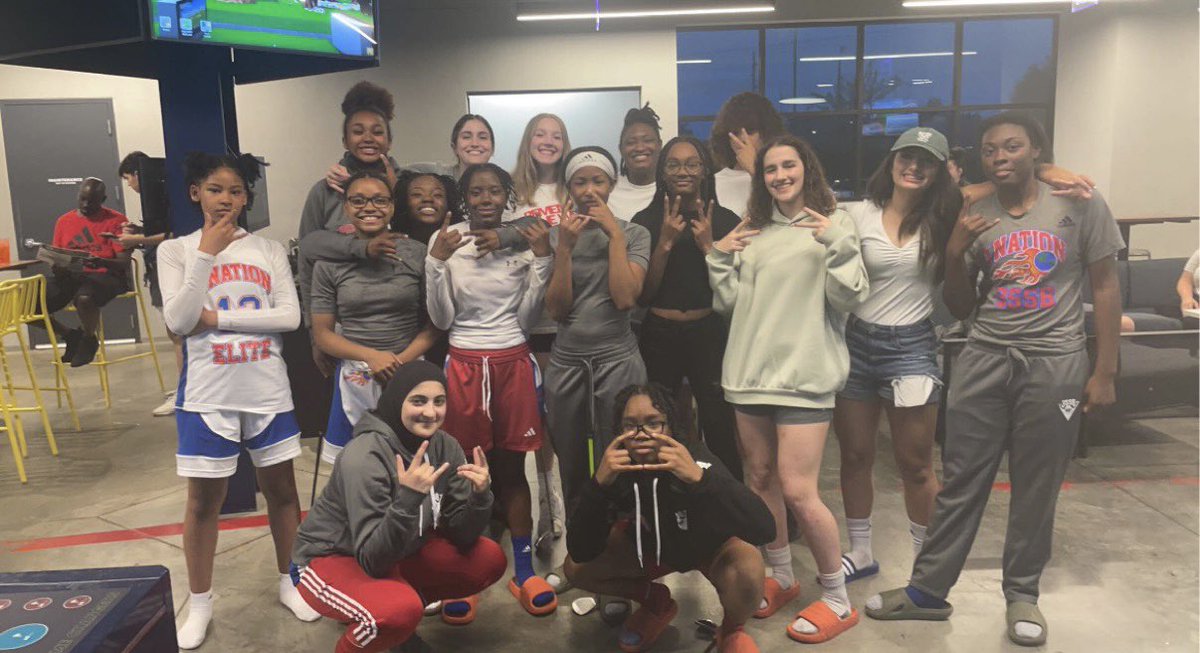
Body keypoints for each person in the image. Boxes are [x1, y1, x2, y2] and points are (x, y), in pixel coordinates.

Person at [866, 112, 1123, 649]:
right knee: (961, 479)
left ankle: (1022, 594)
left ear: (1036, 152)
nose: (1001, 157)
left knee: (1037, 484)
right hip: (983, 357)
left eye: (1012, 147)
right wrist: (956, 252)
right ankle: (928, 591)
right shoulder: (971, 208)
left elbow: (1104, 286)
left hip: (1055, 364)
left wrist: (1104, 371)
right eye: (990, 150)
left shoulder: (1078, 203)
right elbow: (959, 305)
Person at [835, 128, 1099, 583]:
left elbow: (1009, 178)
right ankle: (860, 551)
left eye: (926, 161)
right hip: (857, 343)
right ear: (891, 161)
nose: (914, 167)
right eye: (907, 157)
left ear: (940, 171)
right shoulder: (857, 213)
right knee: (855, 456)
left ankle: (927, 564)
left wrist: (1055, 173)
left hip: (912, 346)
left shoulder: (949, 212)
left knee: (916, 464)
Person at [707, 134, 869, 643]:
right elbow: (731, 304)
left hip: (804, 378)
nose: (779, 176)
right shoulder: (752, 230)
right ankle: (780, 575)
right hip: (749, 376)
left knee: (799, 489)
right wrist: (718, 257)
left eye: (788, 166)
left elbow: (849, 299)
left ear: (807, 169)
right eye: (770, 169)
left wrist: (838, 247)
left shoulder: (833, 223)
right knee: (760, 480)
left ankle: (838, 598)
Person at [158, 152, 318, 649]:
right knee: (204, 502)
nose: (225, 199)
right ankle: (200, 603)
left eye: (234, 191)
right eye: (214, 189)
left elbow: (289, 317)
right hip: (208, 393)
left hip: (266, 388)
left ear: (247, 197)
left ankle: (289, 580)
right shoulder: (176, 250)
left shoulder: (268, 250)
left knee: (284, 494)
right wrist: (206, 252)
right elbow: (180, 321)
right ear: (195, 193)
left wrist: (220, 320)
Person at [292, 362, 507, 652]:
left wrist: (481, 496)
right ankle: (388, 619)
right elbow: (372, 559)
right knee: (395, 612)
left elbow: (461, 535)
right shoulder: (365, 454)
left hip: (395, 548)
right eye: (418, 401)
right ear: (396, 402)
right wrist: (408, 499)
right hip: (329, 557)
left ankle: (398, 627)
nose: (431, 413)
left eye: (439, 401)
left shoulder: (445, 446)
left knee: (487, 559)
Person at [425, 162, 557, 618]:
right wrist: (436, 262)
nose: (485, 199)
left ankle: (523, 570)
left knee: (511, 469)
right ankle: (466, 574)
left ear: (507, 196)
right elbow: (442, 320)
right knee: (463, 472)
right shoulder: (448, 240)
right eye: (476, 192)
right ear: (465, 199)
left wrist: (541, 260)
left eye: (494, 192)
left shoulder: (524, 239)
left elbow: (528, 318)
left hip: (513, 362)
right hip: (462, 363)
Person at [564, 384, 774, 653]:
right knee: (575, 570)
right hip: (655, 549)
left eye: (653, 423)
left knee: (747, 569)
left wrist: (701, 481)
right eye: (630, 425)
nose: (641, 435)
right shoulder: (617, 467)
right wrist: (598, 487)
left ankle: (732, 629)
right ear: (619, 431)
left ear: (671, 426)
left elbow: (765, 529)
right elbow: (581, 551)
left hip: (711, 548)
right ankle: (656, 603)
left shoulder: (696, 458)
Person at [543, 146, 651, 511]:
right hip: (568, 363)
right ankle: (581, 547)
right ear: (568, 187)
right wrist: (564, 250)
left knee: (624, 455)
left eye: (597, 181)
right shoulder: (560, 235)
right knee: (572, 460)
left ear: (611, 184)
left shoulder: (635, 233)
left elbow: (625, 299)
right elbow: (557, 310)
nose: (589, 190)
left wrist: (614, 236)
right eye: (580, 182)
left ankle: (627, 540)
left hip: (618, 359)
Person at [631, 136, 742, 479]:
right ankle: (665, 498)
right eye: (674, 164)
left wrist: (709, 246)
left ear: (705, 170)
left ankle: (728, 502)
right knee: (661, 423)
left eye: (692, 163)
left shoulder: (724, 219)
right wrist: (663, 244)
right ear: (662, 172)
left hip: (708, 333)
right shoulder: (644, 220)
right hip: (658, 335)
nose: (683, 171)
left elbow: (735, 291)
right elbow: (644, 296)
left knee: (719, 424)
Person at [310, 170, 438, 464]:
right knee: (356, 468)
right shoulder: (328, 262)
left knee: (412, 466)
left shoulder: (416, 253)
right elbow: (323, 334)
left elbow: (434, 325)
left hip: (409, 368)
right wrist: (372, 357)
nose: (369, 208)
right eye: (358, 200)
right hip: (355, 377)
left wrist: (399, 362)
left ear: (392, 206)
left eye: (379, 200)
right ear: (346, 207)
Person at [38, 177, 132, 368]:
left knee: (84, 298)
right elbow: (58, 254)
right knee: (29, 303)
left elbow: (123, 263)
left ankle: (89, 339)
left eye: (92, 200)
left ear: (103, 199)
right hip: (73, 275)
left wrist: (100, 261)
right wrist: (57, 266)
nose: (86, 204)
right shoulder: (64, 221)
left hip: (107, 274)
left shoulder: (116, 220)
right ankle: (71, 335)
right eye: (82, 199)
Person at [118, 151, 182, 416]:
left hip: (167, 271)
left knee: (177, 333)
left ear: (137, 174)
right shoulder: (156, 199)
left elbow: (173, 234)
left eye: (128, 179)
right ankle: (183, 387)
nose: (130, 186)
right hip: (158, 268)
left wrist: (136, 241)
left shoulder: (166, 198)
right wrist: (139, 232)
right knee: (174, 333)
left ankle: (185, 393)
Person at [326, 113, 496, 190]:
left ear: (492, 147)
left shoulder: (506, 185)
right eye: (466, 137)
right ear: (454, 146)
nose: (475, 143)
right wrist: (344, 170)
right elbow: (392, 172)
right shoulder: (436, 173)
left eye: (482, 137)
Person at [709, 92, 785, 218]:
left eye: (750, 131)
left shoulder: (785, 176)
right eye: (735, 132)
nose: (742, 138)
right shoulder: (714, 182)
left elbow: (788, 213)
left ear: (767, 132)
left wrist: (755, 169)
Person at [512, 113, 572, 225]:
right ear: (528, 142)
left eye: (557, 137)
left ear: (564, 145)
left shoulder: (575, 189)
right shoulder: (509, 190)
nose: (549, 142)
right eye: (540, 135)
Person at [608, 104, 663, 220]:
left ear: (659, 145)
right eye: (631, 142)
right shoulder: (608, 189)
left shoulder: (671, 187)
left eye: (647, 140)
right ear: (621, 149)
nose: (639, 148)